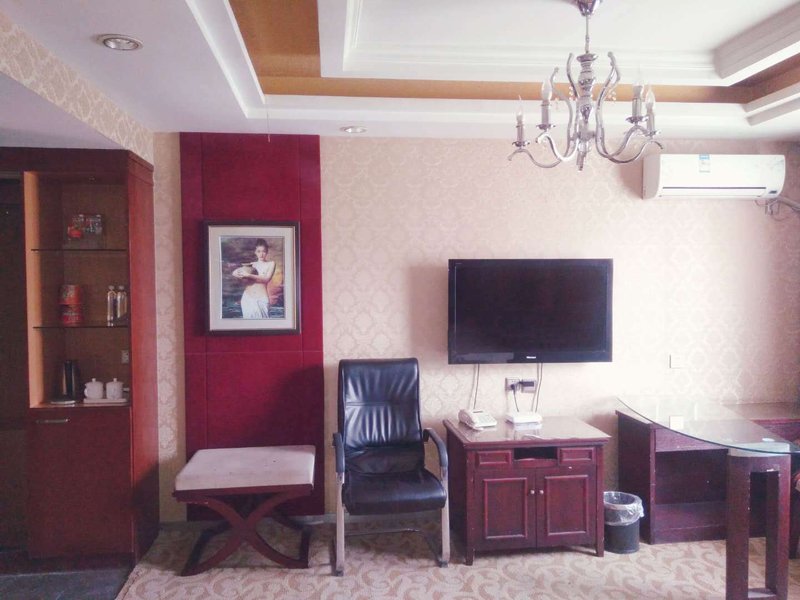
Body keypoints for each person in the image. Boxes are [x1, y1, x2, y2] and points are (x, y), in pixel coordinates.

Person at [233, 238, 275, 318]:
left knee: (263, 323)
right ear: (255, 252)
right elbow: (234, 272)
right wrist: (239, 274)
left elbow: (266, 279)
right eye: (259, 251)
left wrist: (248, 275)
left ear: (267, 252)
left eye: (264, 251)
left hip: (261, 298)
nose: (261, 254)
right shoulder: (252, 264)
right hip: (247, 298)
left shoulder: (271, 264)